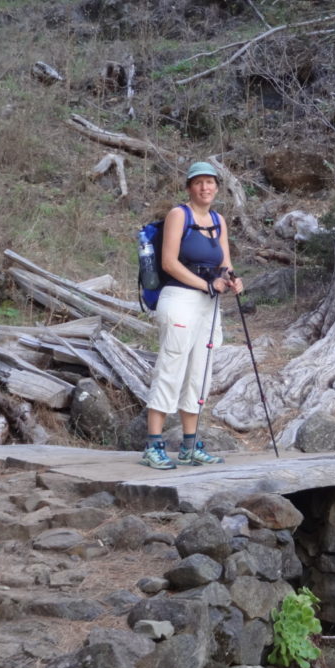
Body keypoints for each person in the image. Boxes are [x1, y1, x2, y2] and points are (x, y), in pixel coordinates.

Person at [141, 161, 244, 469]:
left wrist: (232, 279)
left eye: (210, 182)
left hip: (207, 304)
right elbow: (170, 263)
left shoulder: (218, 219)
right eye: (198, 182)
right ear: (189, 187)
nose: (205, 187)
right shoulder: (178, 215)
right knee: (171, 367)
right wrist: (206, 284)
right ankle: (153, 446)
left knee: (200, 371)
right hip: (180, 300)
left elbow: (224, 261)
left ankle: (190, 445)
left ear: (216, 186)